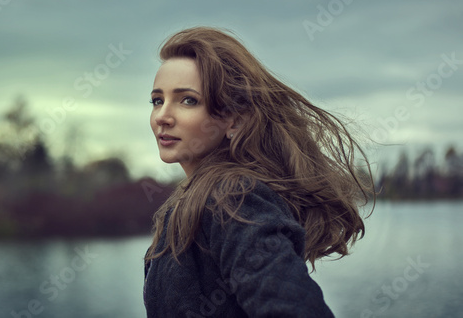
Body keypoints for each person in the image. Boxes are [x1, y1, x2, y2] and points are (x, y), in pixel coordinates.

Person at [143, 26, 374, 317]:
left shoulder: (234, 197)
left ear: (234, 120)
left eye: (188, 100)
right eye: (157, 100)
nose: (162, 116)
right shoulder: (190, 202)